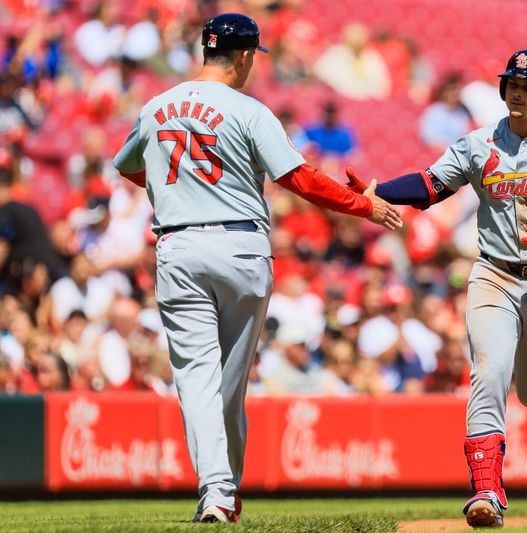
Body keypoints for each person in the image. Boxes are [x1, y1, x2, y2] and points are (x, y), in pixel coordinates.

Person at [111, 13, 401, 524]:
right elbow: (301, 179)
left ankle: (219, 491)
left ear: (206, 51)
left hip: (179, 246)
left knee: (198, 379)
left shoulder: (156, 107)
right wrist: (364, 207)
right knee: (228, 383)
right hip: (242, 248)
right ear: (245, 56)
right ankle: (223, 490)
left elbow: (129, 165)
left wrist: (175, 192)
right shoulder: (249, 109)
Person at [347, 49, 527, 528]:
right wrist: (376, 192)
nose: (517, 92)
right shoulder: (479, 143)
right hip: (495, 272)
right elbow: (432, 185)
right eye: (511, 83)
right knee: (490, 370)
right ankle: (487, 491)